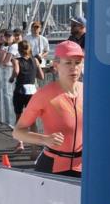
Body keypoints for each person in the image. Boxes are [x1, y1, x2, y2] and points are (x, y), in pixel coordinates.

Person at [13, 40, 83, 177]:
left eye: (78, 62)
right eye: (68, 62)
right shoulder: (44, 95)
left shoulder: (89, 91)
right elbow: (17, 132)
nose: (74, 67)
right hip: (53, 166)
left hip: (83, 166)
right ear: (56, 65)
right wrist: (44, 139)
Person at [9, 40, 44, 151]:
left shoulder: (16, 60)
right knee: (32, 119)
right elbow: (41, 76)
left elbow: (16, 71)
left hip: (20, 90)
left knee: (19, 118)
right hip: (32, 91)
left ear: (19, 50)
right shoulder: (35, 61)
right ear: (29, 49)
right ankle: (34, 145)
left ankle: (20, 143)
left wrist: (12, 78)